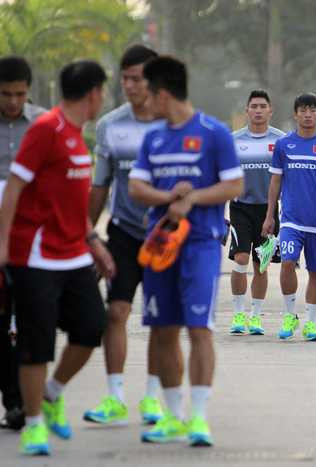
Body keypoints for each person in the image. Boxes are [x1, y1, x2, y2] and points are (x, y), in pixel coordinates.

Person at [128, 56, 244, 446]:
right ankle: (173, 416)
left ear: (162, 94)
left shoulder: (214, 133)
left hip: (201, 245)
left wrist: (192, 198)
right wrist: (168, 198)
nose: (144, 101)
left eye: (148, 93)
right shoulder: (153, 138)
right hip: (161, 246)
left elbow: (234, 185)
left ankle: (198, 418)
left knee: (199, 328)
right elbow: (137, 187)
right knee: (163, 330)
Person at [0, 60, 113, 456]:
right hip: (36, 256)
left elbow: (70, 200)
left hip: (74, 253)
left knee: (91, 327)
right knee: (36, 342)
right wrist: (3, 245)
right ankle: (33, 427)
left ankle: (51, 393)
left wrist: (93, 242)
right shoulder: (46, 129)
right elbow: (14, 188)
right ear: (94, 93)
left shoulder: (76, 133)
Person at [83, 45, 165, 427]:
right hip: (123, 233)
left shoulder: (172, 123)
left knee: (160, 318)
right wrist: (86, 236)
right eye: (126, 78)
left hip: (165, 236)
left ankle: (152, 398)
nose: (130, 86)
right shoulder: (110, 125)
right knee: (116, 311)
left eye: (138, 78)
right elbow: (100, 185)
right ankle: (115, 397)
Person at [262, 93, 316, 341]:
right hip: (291, 219)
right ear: (295, 114)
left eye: (313, 110)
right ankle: (289, 314)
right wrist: (270, 215)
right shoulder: (284, 144)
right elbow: (275, 181)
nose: (308, 115)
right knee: (287, 262)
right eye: (303, 110)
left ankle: (311, 323)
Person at [0, 55, 45, 431]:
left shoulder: (44, 124)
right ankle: (14, 402)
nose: (13, 102)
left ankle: (32, 398)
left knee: (31, 319)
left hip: (33, 237)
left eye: (19, 94)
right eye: (5, 94)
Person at [228, 90, 285, 335]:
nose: (258, 110)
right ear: (247, 111)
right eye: (254, 106)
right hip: (240, 207)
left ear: (270, 110)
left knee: (261, 265)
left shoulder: (281, 141)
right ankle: (238, 314)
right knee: (241, 259)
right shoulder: (233, 140)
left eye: (263, 106)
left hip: (268, 209)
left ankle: (255, 316)